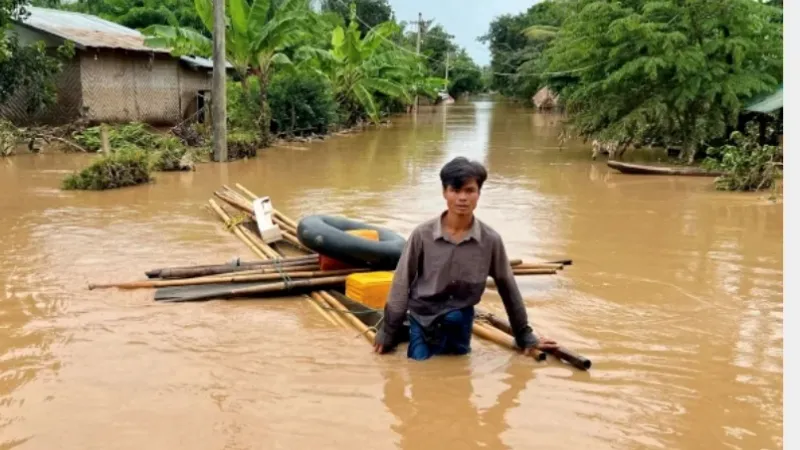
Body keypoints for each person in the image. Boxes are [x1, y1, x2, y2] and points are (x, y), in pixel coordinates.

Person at [373, 156, 557, 360]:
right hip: (422, 316)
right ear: (445, 192)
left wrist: (524, 335)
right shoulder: (422, 235)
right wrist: (388, 332)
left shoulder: (490, 241)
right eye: (455, 190)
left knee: (459, 372)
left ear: (478, 194)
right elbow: (401, 282)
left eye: (469, 190)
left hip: (459, 318)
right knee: (419, 369)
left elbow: (507, 287)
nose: (463, 198)